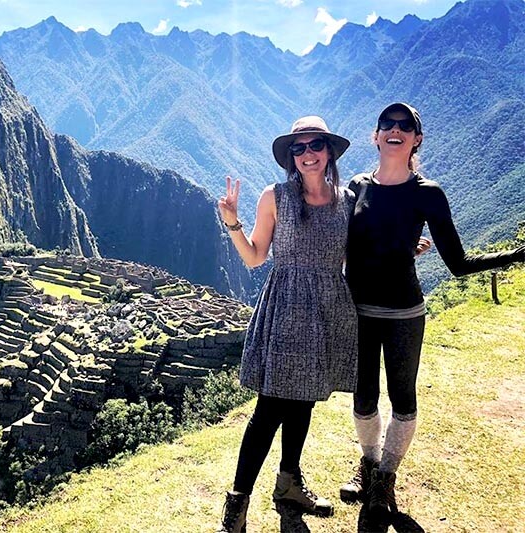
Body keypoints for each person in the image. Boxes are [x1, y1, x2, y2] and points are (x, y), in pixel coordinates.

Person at [340, 102, 525, 519]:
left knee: (403, 397)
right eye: (387, 123)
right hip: (358, 311)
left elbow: (457, 263)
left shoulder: (428, 193)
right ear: (375, 135)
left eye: (405, 126)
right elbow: (347, 246)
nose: (395, 129)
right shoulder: (356, 185)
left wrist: (511, 256)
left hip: (404, 313)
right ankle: (368, 465)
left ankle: (385, 479)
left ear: (416, 139)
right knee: (363, 397)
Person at [216, 116, 358, 532]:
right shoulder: (274, 196)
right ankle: (237, 504)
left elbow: (352, 260)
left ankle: (289, 483)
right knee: (269, 408)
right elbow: (256, 256)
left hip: (329, 309)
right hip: (287, 309)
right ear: (290, 157)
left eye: (315, 146)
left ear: (329, 151)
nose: (308, 154)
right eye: (299, 148)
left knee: (305, 400)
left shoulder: (347, 201)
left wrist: (404, 253)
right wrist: (232, 222)